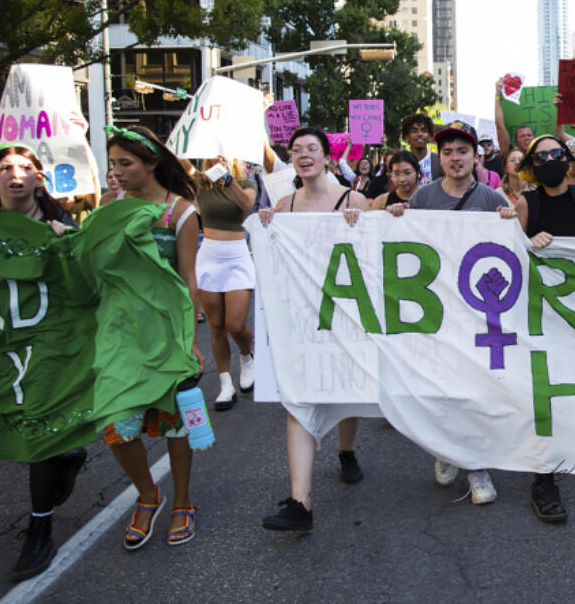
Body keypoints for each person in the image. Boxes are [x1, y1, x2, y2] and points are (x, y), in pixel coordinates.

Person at [0, 144, 88, 580]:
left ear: (40, 177)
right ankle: (67, 455)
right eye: (5, 168)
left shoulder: (62, 225)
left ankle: (40, 528)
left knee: (38, 431)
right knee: (17, 423)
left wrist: (69, 249)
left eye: (25, 168)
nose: (15, 175)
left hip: (53, 345)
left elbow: (85, 287)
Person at [387, 120, 518, 505]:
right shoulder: (424, 198)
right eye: (448, 152)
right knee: (441, 389)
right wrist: (395, 215)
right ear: (439, 158)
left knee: (475, 389)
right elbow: (400, 243)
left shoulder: (494, 198)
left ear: (476, 157)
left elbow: (516, 251)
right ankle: (448, 449)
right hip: (437, 314)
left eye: (462, 151)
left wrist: (513, 223)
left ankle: (476, 466)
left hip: (477, 314)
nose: (455, 158)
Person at [258, 127, 371, 532]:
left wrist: (365, 222)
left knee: (346, 388)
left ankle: (346, 450)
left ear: (327, 156)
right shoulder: (283, 205)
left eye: (312, 149)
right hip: (302, 318)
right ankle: (300, 504)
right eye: (296, 150)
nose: (304, 155)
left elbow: (380, 253)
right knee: (299, 398)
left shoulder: (353, 199)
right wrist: (267, 225)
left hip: (346, 315)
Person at [515, 72, 575, 523]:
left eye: (558, 151)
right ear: (532, 167)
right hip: (546, 318)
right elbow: (505, 256)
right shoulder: (524, 205)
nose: (553, 158)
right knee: (548, 394)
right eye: (543, 155)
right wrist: (524, 242)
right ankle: (544, 479)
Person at [103, 125, 206, 549]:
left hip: (166, 337)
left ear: (150, 164)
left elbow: (187, 278)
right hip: (119, 337)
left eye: (125, 163)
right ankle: (149, 494)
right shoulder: (108, 205)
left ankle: (182, 501)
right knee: (115, 426)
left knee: (175, 424)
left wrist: (189, 340)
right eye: (113, 164)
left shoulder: (180, 212)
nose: (117, 172)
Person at [194, 156, 258, 412]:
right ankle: (225, 385)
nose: (217, 155)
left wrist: (227, 179)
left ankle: (246, 354)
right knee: (217, 326)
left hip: (236, 256)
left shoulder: (245, 181)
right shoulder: (198, 183)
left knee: (236, 324)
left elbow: (246, 205)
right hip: (209, 255)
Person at [494, 77, 536, 157]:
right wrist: (497, 95)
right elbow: (500, 126)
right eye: (522, 136)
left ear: (534, 138)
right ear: (516, 141)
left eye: (529, 135)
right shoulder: (510, 154)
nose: (526, 138)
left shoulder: (542, 155)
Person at [401, 114, 440, 187]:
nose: (420, 134)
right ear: (407, 137)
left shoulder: (439, 161)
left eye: (424, 130)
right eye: (414, 131)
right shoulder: (401, 162)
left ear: (430, 136)